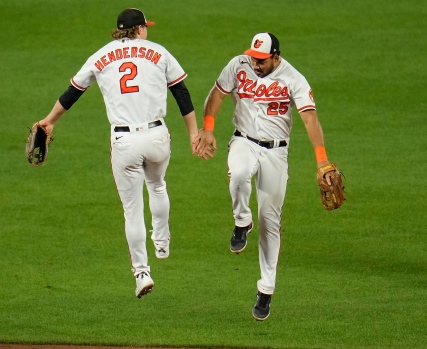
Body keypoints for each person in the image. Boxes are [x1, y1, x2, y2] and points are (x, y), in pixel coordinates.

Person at [37, 8, 201, 298]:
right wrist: (193, 134)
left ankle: (141, 273)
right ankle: (162, 241)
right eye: (145, 27)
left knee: (132, 209)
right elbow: (182, 93)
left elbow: (72, 92)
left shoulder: (101, 56)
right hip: (157, 137)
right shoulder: (158, 52)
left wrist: (49, 120)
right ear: (139, 29)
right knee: (158, 185)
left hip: (124, 141)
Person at [195, 32, 333, 320]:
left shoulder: (293, 78)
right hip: (243, 141)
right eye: (254, 58)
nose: (255, 64)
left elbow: (310, 119)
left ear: (276, 57)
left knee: (270, 222)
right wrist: (207, 127)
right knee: (238, 174)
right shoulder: (239, 65)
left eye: (261, 60)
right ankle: (241, 221)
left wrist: (322, 160)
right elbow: (217, 94)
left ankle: (265, 290)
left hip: (276, 153)